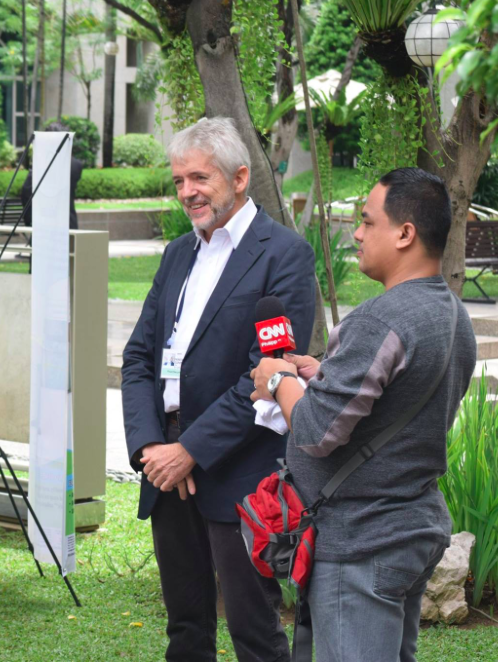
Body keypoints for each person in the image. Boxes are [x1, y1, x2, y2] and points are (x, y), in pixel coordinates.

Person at [250, 167, 477, 662]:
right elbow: (394, 403)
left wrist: (277, 379)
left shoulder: (382, 319)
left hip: (362, 542)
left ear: (404, 234)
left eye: (367, 221)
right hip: (409, 528)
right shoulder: (453, 313)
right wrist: (323, 374)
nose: (355, 232)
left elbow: (313, 430)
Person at [121, 117, 317, 662]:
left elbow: (267, 376)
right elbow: (138, 356)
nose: (187, 192)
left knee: (253, 631)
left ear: (239, 177)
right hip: (166, 467)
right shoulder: (178, 254)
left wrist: (192, 450)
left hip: (239, 470)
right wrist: (150, 449)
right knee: (185, 628)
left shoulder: (284, 256)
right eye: (179, 180)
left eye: (199, 178)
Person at [20, 121, 83, 230]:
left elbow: (26, 191)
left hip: (44, 227)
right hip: (69, 225)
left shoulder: (42, 164)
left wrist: (30, 221)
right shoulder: (76, 165)